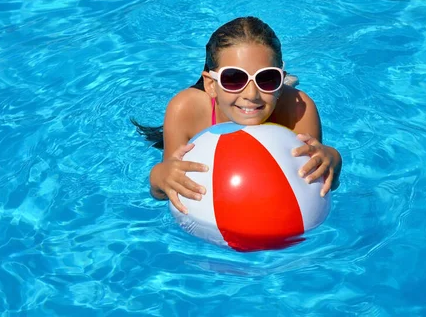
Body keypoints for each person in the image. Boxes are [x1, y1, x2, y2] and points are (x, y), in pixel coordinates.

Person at [138, 16, 342, 214]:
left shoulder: (298, 109)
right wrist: (158, 177)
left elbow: (317, 186)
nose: (251, 94)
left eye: (268, 78)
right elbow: (167, 186)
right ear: (211, 84)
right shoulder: (185, 109)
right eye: (234, 79)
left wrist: (333, 160)